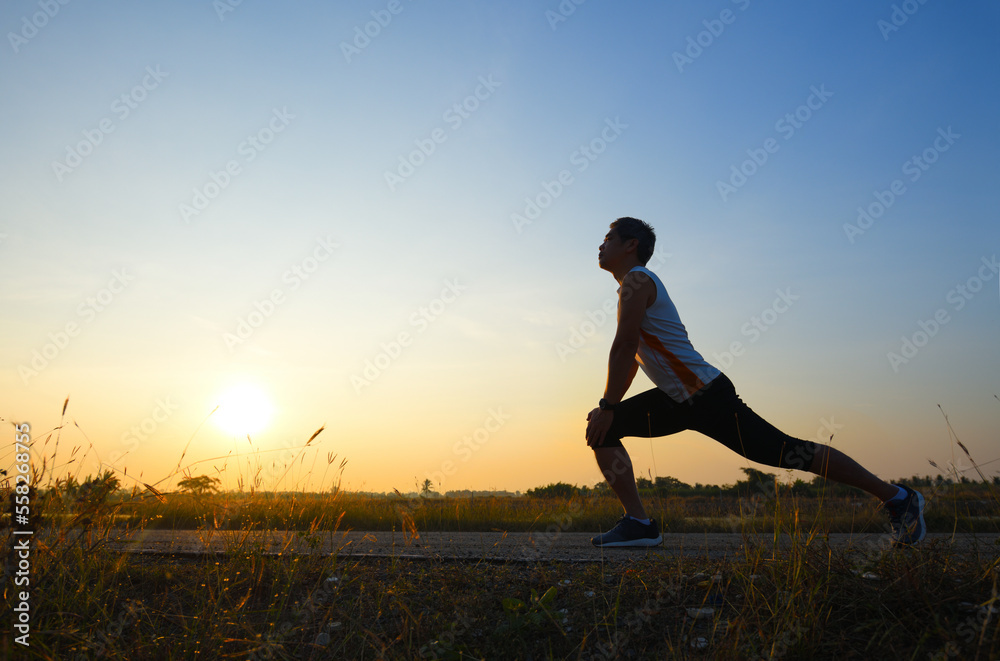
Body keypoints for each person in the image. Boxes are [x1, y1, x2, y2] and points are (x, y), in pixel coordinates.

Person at [585, 217, 926, 547]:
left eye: (609, 238)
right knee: (603, 430)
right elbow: (631, 356)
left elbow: (626, 346)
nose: (601, 244)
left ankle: (899, 497)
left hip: (706, 396)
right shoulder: (631, 285)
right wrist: (608, 409)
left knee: (788, 452)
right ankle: (639, 525)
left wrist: (608, 406)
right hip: (676, 398)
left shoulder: (637, 281)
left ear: (631, 245)